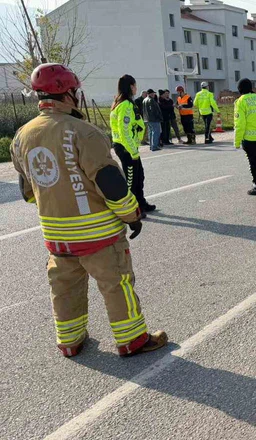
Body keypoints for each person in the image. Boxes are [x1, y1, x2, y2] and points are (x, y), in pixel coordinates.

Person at [10, 64, 167, 358]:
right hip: (98, 236)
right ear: (68, 94)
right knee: (116, 284)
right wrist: (132, 214)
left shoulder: (22, 136)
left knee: (64, 289)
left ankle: (70, 342)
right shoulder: (84, 132)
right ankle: (132, 340)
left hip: (56, 237)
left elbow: (28, 192)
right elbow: (111, 184)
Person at [110, 75, 156, 218]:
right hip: (126, 148)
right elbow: (124, 131)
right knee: (131, 181)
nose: (136, 88)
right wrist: (133, 152)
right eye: (135, 85)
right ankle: (132, 210)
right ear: (131, 86)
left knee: (139, 177)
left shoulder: (124, 103)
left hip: (128, 147)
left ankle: (141, 203)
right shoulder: (125, 105)